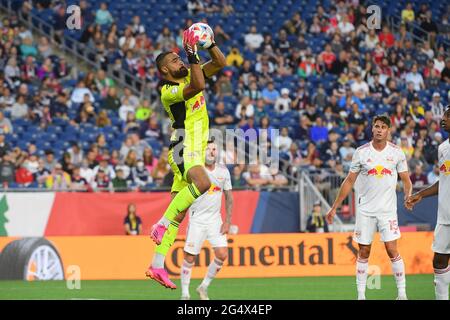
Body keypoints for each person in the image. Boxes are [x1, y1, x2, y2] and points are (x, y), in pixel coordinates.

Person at [145, 26, 226, 289]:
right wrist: (192, 53)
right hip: (183, 146)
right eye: (173, 60)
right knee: (203, 184)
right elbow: (199, 85)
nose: (178, 60)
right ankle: (161, 222)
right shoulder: (168, 90)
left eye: (179, 56)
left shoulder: (192, 72)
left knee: (179, 215)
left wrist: (209, 43)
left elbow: (220, 62)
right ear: (165, 70)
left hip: (194, 149)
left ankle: (157, 266)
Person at [326, 115, 412, 300]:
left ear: (388, 130)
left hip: (387, 211)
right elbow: (349, 181)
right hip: (365, 210)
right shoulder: (361, 152)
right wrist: (334, 207)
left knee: (392, 249)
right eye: (376, 126)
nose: (379, 129)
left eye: (383, 127)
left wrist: (407, 195)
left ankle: (402, 294)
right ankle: (361, 296)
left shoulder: (396, 152)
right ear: (372, 129)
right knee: (364, 251)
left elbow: (406, 180)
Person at [406, 105, 450, 300]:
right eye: (444, 114)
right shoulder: (443, 148)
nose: (443, 118)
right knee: (439, 260)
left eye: (448, 115)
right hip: (445, 215)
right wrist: (421, 194)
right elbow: (444, 180)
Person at [180, 140, 233, 300]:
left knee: (222, 253)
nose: (211, 151)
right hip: (197, 219)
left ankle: (203, 287)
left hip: (215, 220)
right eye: (208, 149)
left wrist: (228, 221)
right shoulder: (195, 171)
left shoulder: (223, 172)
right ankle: (185, 294)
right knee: (190, 257)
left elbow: (229, 197)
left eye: (214, 149)